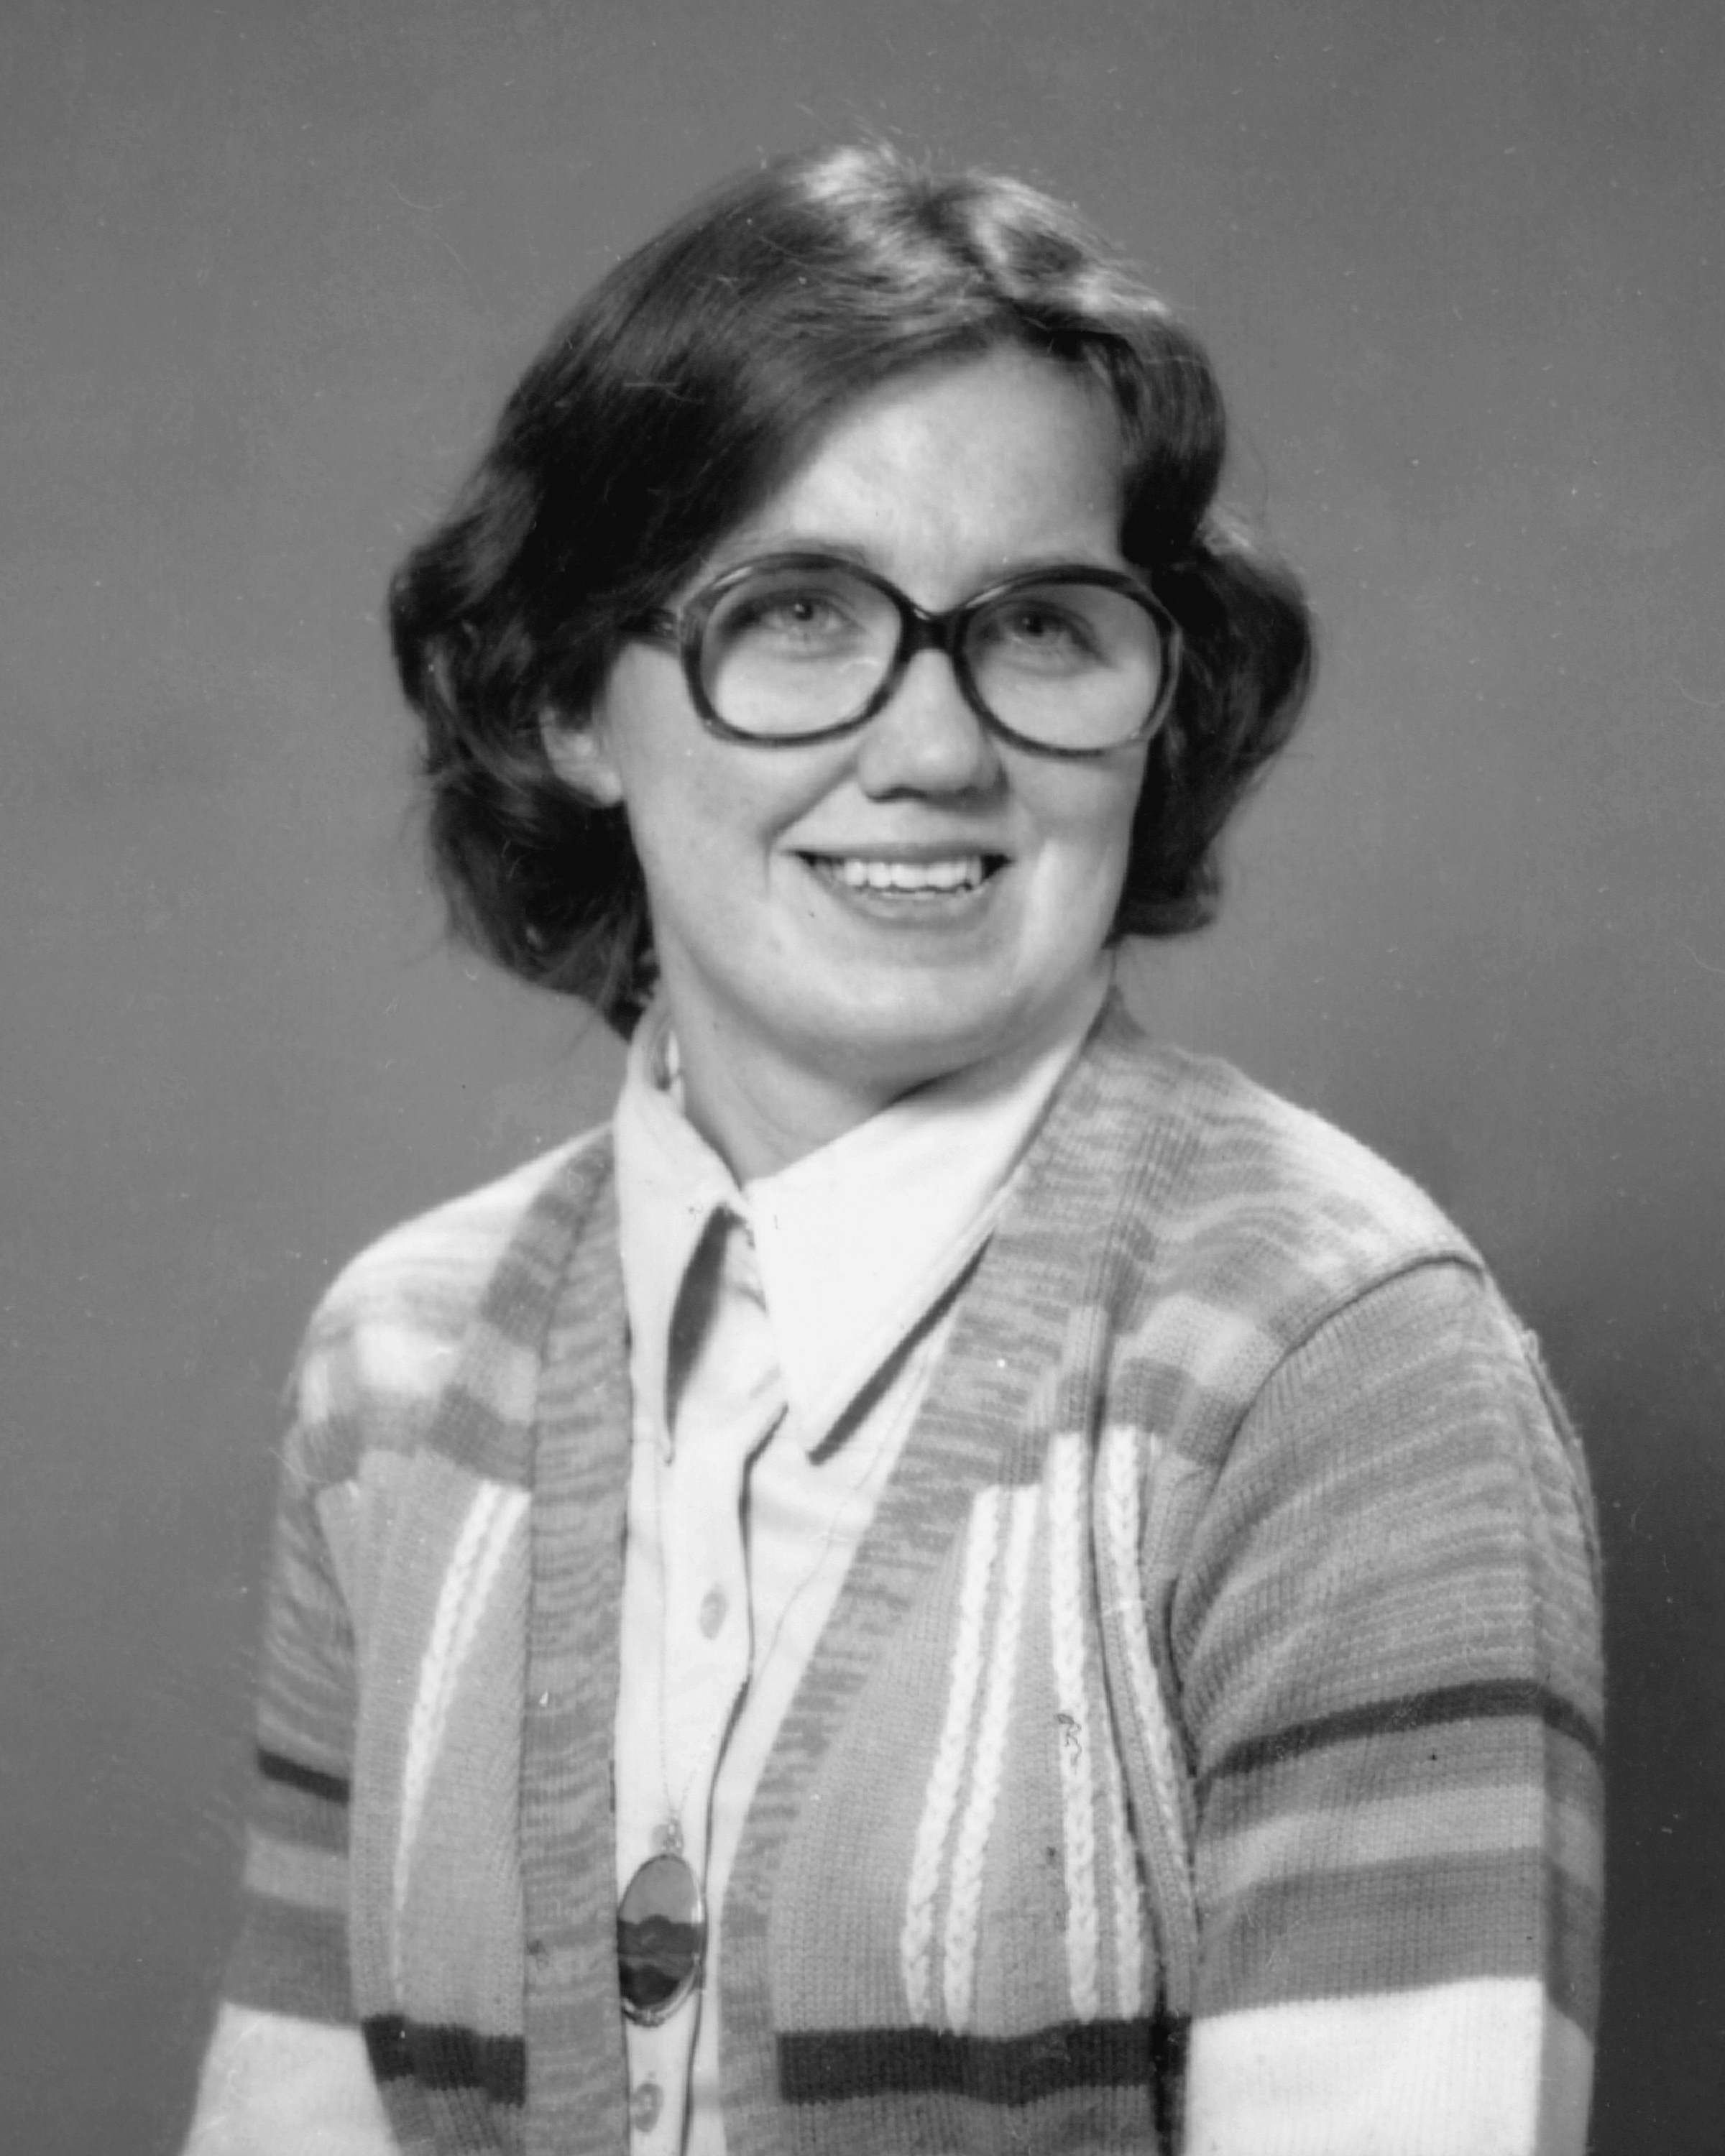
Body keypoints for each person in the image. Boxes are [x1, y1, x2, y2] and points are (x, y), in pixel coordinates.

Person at [183, 145, 1604, 2155]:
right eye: (795, 613)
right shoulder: (395, 1375)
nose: (937, 749)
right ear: (569, 696)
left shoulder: (1336, 1366)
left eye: (1042, 625)